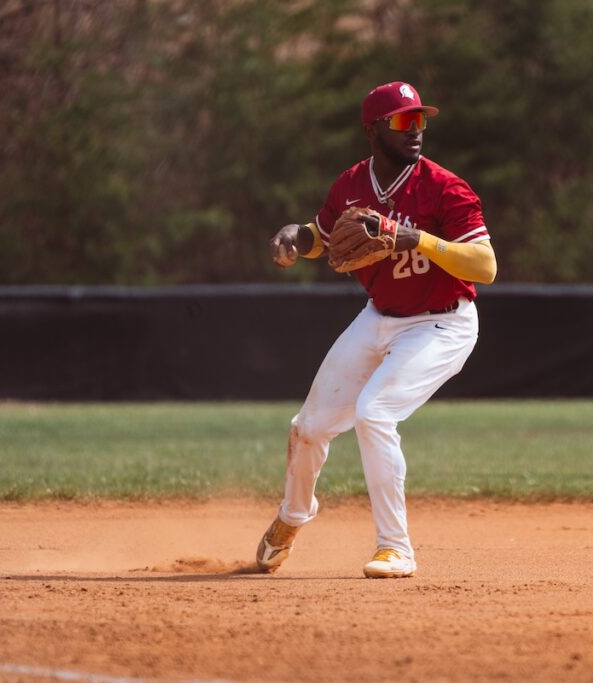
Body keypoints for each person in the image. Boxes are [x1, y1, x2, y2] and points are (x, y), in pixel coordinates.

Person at [256, 82, 497, 578]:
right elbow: (322, 236)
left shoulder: (444, 187)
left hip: (442, 321)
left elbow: (486, 266)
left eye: (420, 121)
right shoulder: (351, 185)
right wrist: (294, 238)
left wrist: (420, 239)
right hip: (380, 317)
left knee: (374, 411)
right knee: (307, 429)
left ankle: (396, 548)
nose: (416, 131)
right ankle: (292, 516)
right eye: (403, 122)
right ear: (372, 131)